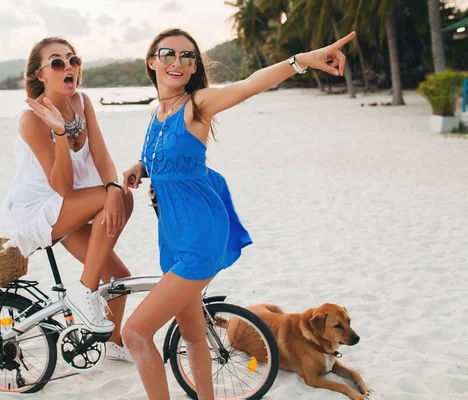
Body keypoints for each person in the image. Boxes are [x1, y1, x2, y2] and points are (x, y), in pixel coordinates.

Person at [120, 28, 356, 398]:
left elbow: (249, 85)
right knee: (194, 334)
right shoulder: (156, 112)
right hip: (172, 236)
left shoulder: (198, 103)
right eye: (168, 54)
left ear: (195, 66)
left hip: (200, 238)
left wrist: (302, 60)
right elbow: (167, 155)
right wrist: (141, 166)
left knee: (134, 332)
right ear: (152, 62)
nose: (178, 62)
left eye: (188, 56)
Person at [1, 36, 133, 361]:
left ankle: (114, 343)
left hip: (75, 205)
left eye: (73, 60)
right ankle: (84, 292)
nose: (69, 67)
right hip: (42, 209)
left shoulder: (83, 102)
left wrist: (114, 188)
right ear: (40, 75)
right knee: (109, 197)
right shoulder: (31, 119)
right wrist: (60, 133)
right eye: (57, 62)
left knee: (119, 277)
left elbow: (102, 158)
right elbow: (62, 186)